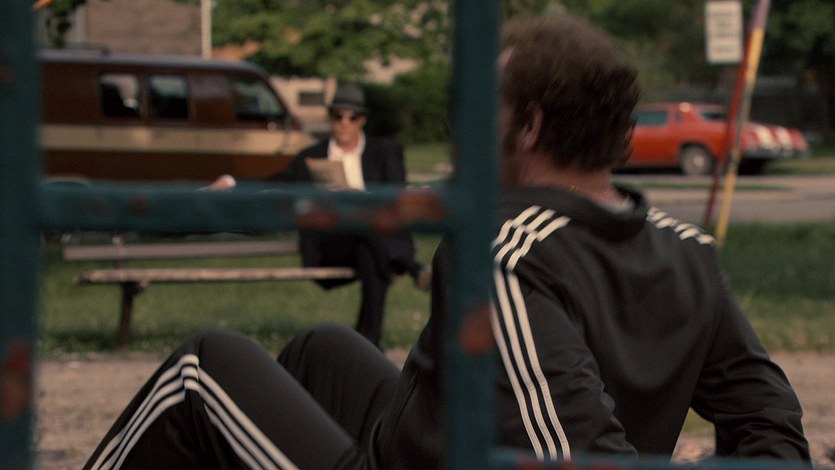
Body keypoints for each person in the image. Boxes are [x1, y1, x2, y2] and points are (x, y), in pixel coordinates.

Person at [84, 14, 810, 469]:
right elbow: (772, 423)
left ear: (528, 126)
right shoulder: (685, 249)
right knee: (321, 350)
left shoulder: (501, 251)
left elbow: (575, 452)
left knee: (203, 367)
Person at [273, 83, 430, 348]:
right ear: (331, 118)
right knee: (368, 240)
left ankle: (367, 343)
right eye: (338, 116)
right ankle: (412, 268)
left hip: (372, 244)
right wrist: (231, 181)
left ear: (362, 121)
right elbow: (276, 183)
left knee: (370, 250)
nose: (344, 123)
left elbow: (396, 198)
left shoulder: (384, 152)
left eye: (352, 117)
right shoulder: (311, 157)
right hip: (333, 244)